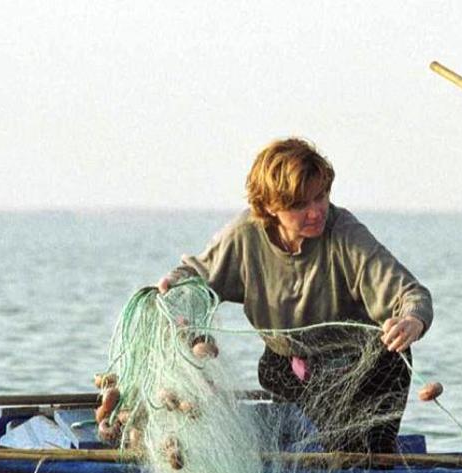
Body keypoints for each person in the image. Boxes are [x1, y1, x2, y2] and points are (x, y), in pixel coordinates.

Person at [157, 138, 433, 454]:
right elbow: (193, 276)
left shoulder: (344, 233)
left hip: (367, 370)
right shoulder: (246, 234)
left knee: (360, 458)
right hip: (290, 370)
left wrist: (412, 320)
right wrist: (172, 291)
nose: (316, 212)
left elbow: (409, 293)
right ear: (270, 207)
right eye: (300, 205)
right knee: (321, 439)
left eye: (322, 197)